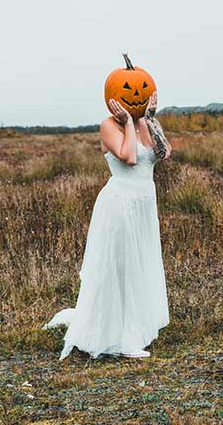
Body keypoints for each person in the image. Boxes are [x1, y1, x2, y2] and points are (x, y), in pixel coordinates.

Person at [44, 91, 171, 360]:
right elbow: (129, 157)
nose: (136, 96)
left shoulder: (145, 124)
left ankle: (137, 330)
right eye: (130, 91)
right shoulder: (108, 125)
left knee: (141, 265)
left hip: (144, 206)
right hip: (121, 203)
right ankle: (121, 339)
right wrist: (126, 121)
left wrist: (149, 118)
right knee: (122, 268)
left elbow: (163, 153)